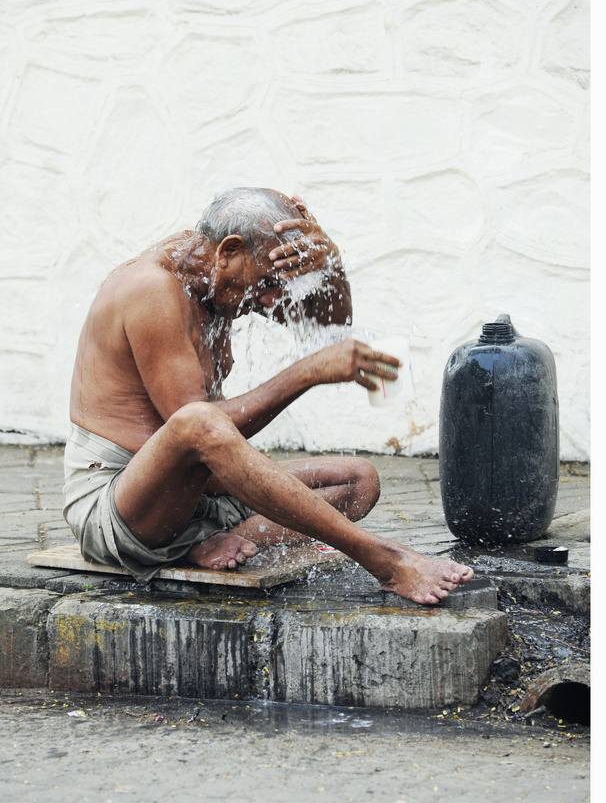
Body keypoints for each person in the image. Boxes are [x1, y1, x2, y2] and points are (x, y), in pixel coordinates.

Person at [64, 186, 471, 605]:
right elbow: (195, 426)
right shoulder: (152, 288)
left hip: (201, 497)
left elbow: (329, 324)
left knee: (359, 480)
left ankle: (206, 541)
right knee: (198, 421)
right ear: (229, 251)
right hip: (121, 506)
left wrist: (329, 264)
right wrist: (307, 372)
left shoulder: (225, 276)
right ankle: (384, 560)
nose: (273, 299)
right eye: (268, 282)